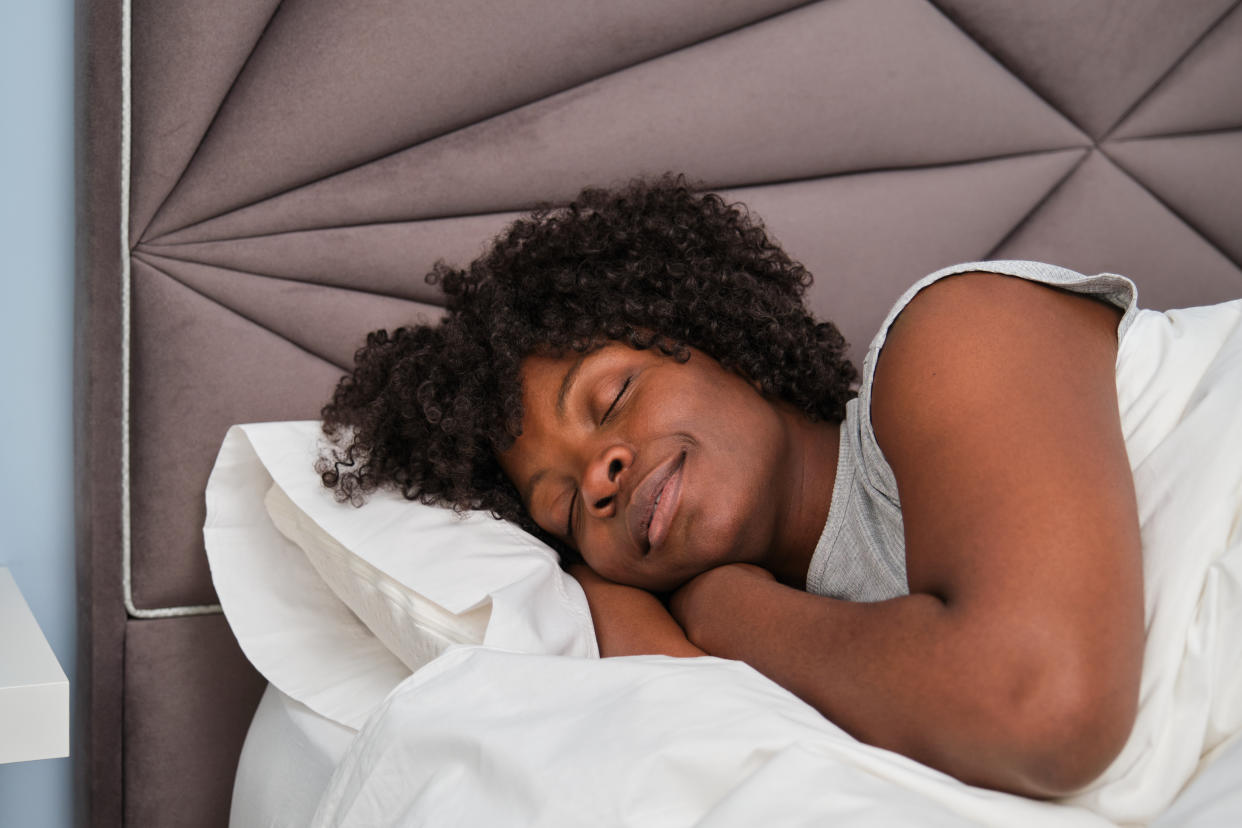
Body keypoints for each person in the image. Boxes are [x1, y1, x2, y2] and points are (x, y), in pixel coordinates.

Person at [317, 175, 1147, 799]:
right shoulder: (724, 631)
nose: (600, 476)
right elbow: (709, 773)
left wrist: (727, 610)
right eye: (566, 508)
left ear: (718, 341)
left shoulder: (957, 333)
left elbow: (1044, 711)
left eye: (612, 398)